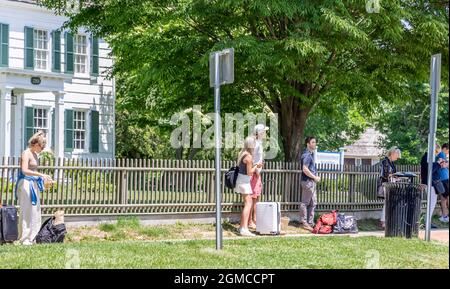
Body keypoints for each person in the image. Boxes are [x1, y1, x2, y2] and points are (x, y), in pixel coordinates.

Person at [16, 131, 52, 245]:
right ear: (36, 144)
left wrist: (43, 179)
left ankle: (32, 236)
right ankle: (24, 238)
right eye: (41, 147)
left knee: (35, 210)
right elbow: (25, 170)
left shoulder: (36, 154)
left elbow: (34, 171)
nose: (42, 149)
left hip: (33, 183)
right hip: (25, 183)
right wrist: (41, 175)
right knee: (26, 210)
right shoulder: (26, 153)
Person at [234, 136, 263, 236]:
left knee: (248, 203)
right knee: (248, 204)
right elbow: (250, 173)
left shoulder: (243, 154)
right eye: (254, 143)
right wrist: (257, 166)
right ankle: (244, 229)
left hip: (241, 180)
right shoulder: (249, 157)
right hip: (244, 182)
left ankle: (242, 227)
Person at [247, 124, 269, 229]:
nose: (266, 133)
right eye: (264, 131)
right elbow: (251, 158)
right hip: (254, 173)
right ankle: (250, 221)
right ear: (260, 132)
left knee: (255, 197)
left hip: (256, 172)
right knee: (251, 198)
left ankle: (254, 219)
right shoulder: (256, 144)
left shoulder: (259, 143)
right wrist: (256, 169)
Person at [299, 136, 320, 231]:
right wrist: (315, 177)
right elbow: (305, 169)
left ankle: (310, 223)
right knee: (305, 202)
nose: (315, 144)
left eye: (315, 142)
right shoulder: (307, 155)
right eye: (313, 142)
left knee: (313, 203)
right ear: (308, 144)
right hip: (307, 182)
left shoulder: (310, 154)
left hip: (310, 182)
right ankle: (303, 222)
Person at [420, 144, 443, 229]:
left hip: (430, 183)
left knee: (432, 203)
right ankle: (427, 222)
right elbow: (431, 170)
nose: (437, 154)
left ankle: (427, 221)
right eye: (437, 152)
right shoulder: (427, 157)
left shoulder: (428, 157)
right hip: (430, 184)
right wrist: (438, 163)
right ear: (434, 150)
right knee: (431, 203)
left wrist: (439, 165)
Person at [378, 147, 401, 229]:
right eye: (397, 155)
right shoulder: (385, 162)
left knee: (389, 203)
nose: (397, 157)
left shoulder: (391, 163)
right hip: (386, 184)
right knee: (387, 203)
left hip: (391, 184)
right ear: (392, 153)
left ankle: (386, 221)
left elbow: (392, 174)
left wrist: (397, 177)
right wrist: (394, 175)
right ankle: (383, 221)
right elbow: (384, 174)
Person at [436, 143, 449, 223]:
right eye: (448, 150)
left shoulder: (440, 155)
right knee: (445, 197)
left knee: (443, 198)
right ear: (444, 148)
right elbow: (443, 165)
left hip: (443, 178)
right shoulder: (442, 154)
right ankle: (445, 216)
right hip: (445, 178)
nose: (448, 152)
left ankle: (445, 216)